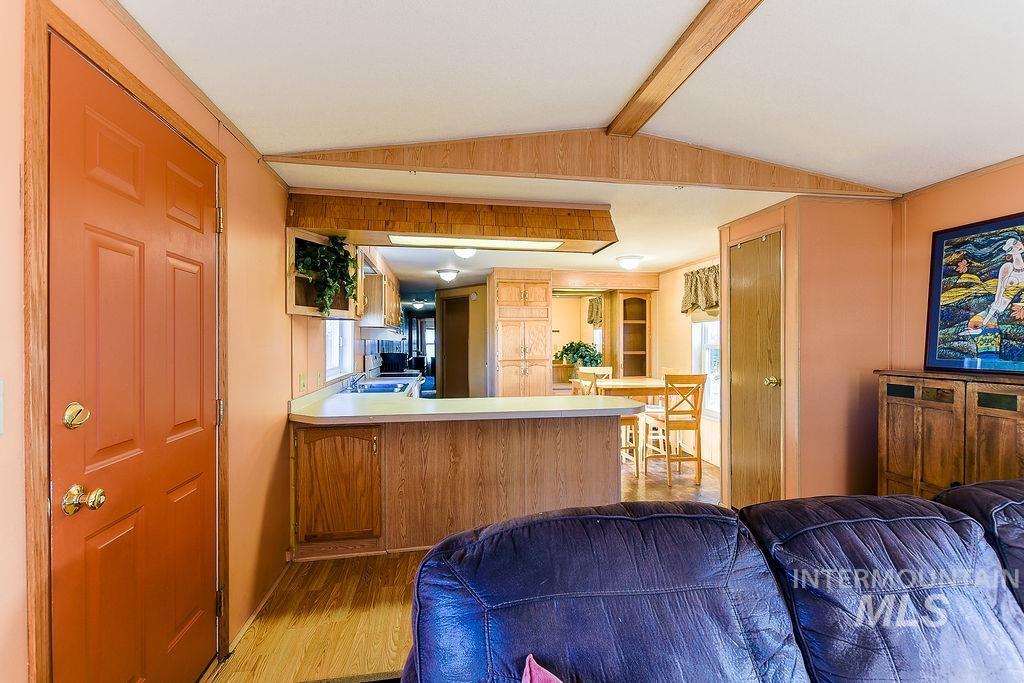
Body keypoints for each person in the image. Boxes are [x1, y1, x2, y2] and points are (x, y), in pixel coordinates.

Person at [963, 236, 1024, 335]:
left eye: (1015, 242)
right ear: (1009, 252)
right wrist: (997, 301)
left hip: (1007, 311)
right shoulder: (1007, 267)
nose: (1016, 246)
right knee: (976, 326)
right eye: (1011, 247)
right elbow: (1000, 288)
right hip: (994, 309)